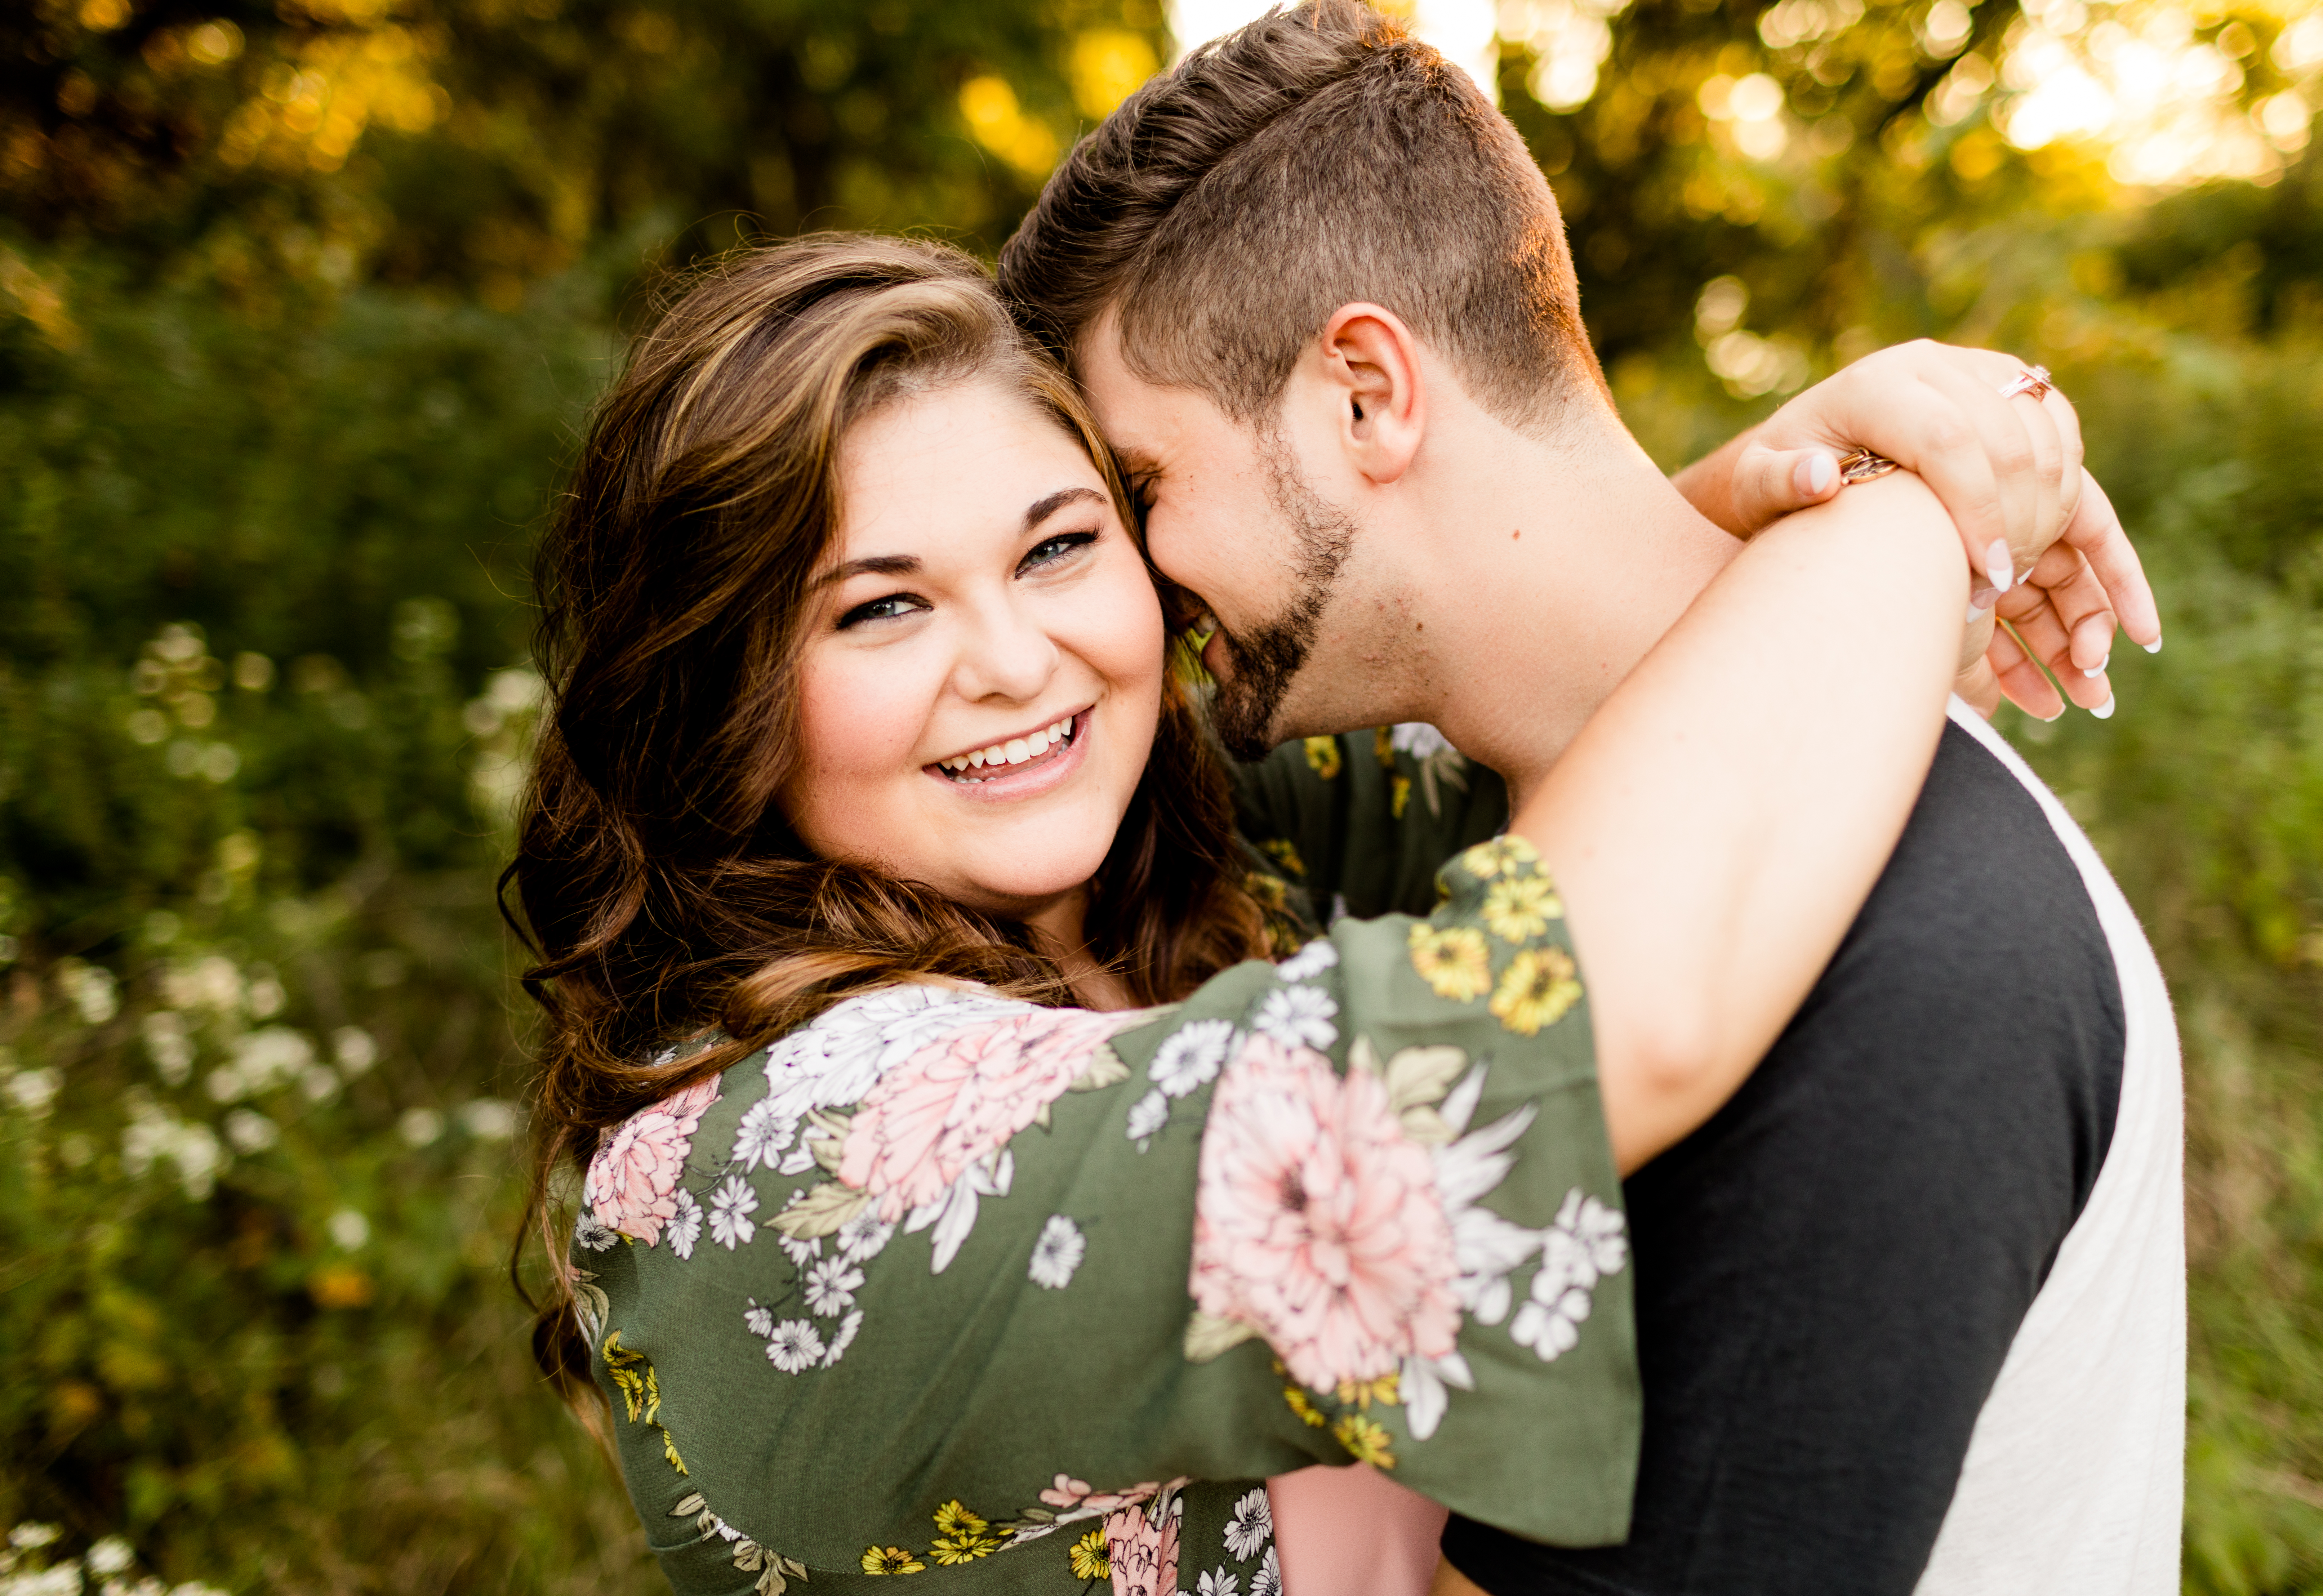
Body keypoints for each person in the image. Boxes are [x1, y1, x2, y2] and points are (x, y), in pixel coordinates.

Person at [510, 226, 2055, 1596]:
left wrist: (1767, 487)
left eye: (1058, 546)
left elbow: (1589, 698)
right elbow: (1562, 1027)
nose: (1013, 660)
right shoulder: (781, 1162)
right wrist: (1919, 517)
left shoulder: (1201, 862)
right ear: (721, 691)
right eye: (883, 606)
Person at [996, 4, 2185, 1592]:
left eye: (1145, 492)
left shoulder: (1895, 939)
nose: (1140, 581)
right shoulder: (1508, 813)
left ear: (1364, 393)